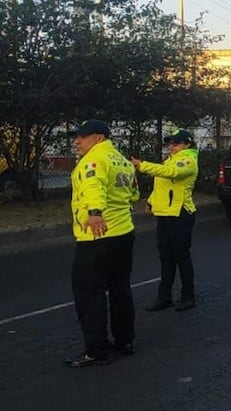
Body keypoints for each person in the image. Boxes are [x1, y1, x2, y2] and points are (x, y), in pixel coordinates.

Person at [66, 119, 140, 367]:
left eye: (82, 136)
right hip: (123, 232)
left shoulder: (93, 160)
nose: (77, 141)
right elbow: (134, 194)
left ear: (98, 138)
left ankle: (96, 350)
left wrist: (96, 212)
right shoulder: (122, 162)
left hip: (97, 234)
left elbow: (93, 185)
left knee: (89, 292)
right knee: (120, 288)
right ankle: (125, 340)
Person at [132, 130, 199, 312]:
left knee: (181, 257)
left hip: (180, 214)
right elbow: (162, 184)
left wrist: (142, 165)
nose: (171, 146)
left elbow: (171, 173)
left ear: (187, 144)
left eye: (176, 143)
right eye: (170, 143)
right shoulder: (170, 159)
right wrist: (151, 201)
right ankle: (164, 296)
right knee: (165, 257)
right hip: (165, 214)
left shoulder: (188, 160)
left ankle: (188, 296)